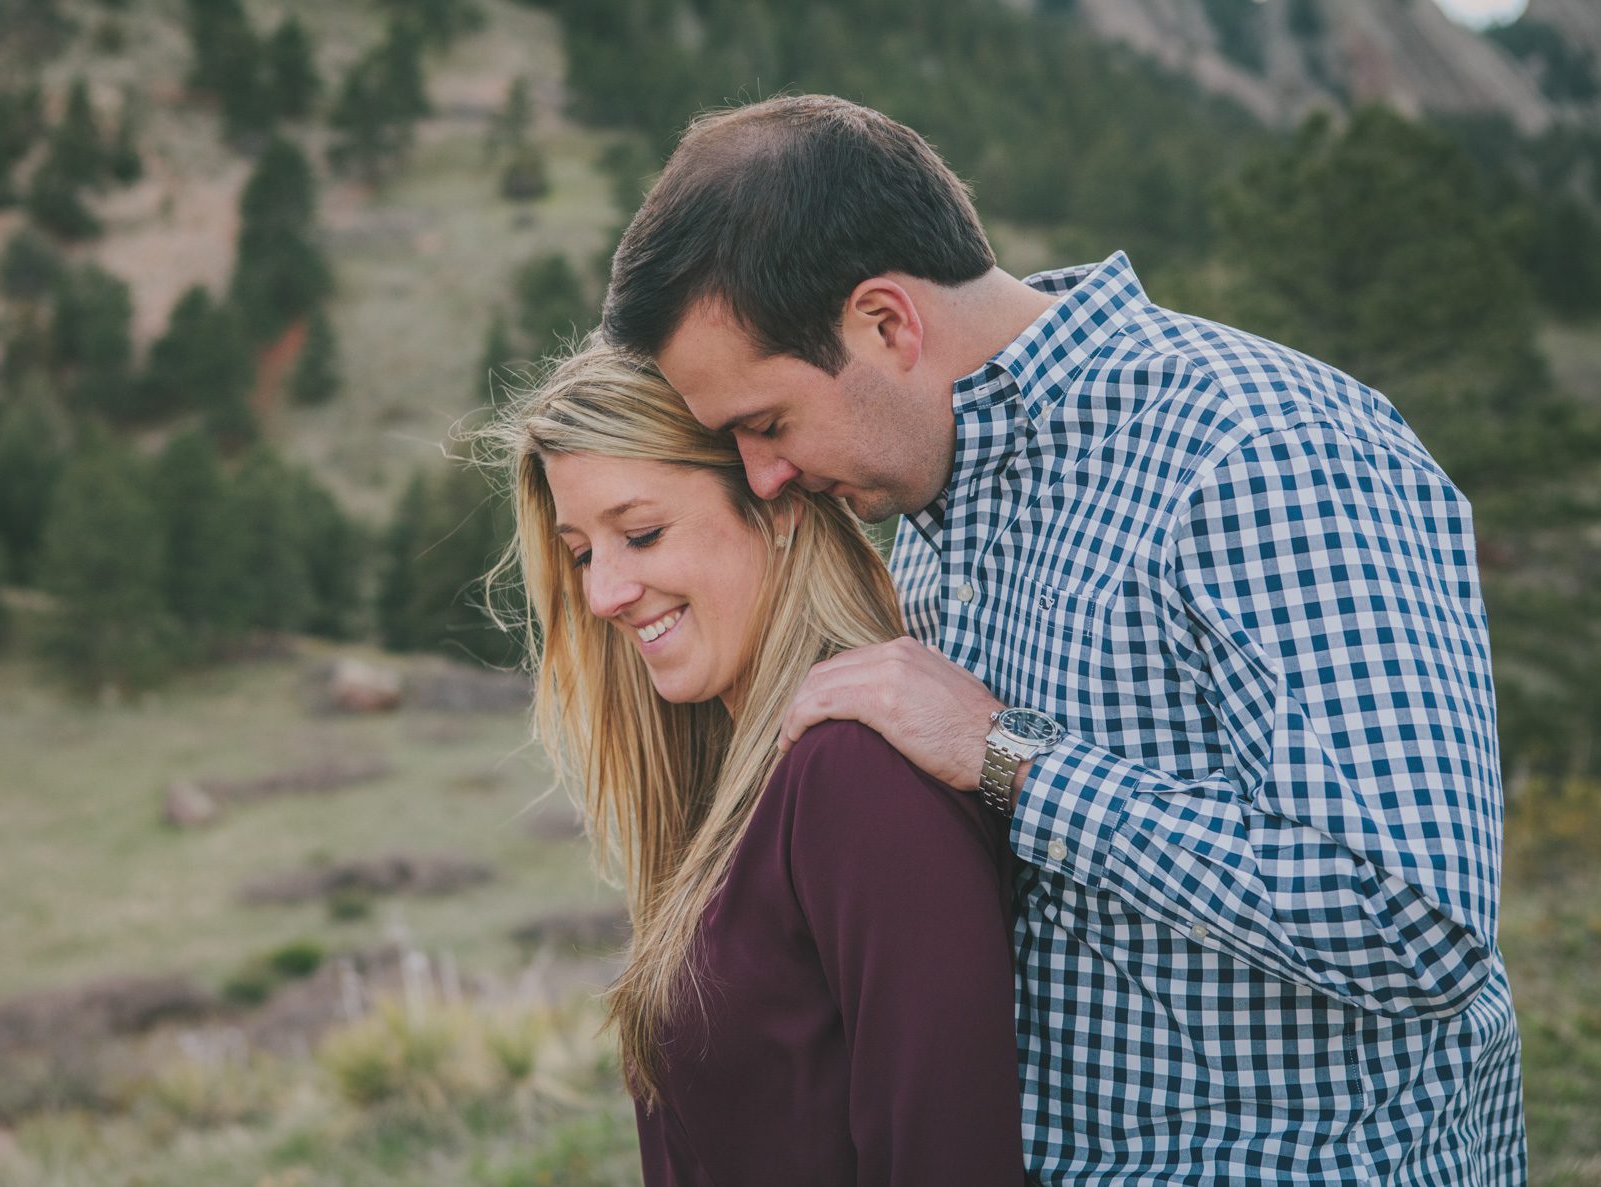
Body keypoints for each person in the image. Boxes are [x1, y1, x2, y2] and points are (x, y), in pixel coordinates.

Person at [599, 94, 1526, 1184]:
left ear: (885, 323)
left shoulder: (1259, 451)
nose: (764, 477)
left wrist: (1012, 760)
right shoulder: (934, 521)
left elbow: (1414, 920)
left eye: (765, 423)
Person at [486, 340, 1025, 1186]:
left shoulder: (855, 776)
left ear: (774, 507)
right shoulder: (746, 779)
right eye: (585, 553)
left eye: (642, 532)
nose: (602, 594)